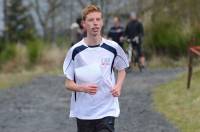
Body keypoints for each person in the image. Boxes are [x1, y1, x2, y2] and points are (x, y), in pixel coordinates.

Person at [63, 4, 129, 132]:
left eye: (98, 19)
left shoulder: (113, 47)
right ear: (84, 23)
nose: (95, 23)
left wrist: (118, 86)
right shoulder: (75, 51)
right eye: (91, 20)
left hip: (107, 109)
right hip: (84, 112)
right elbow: (68, 83)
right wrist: (83, 88)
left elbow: (122, 69)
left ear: (102, 22)